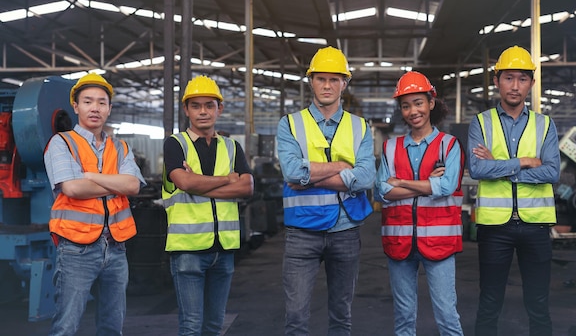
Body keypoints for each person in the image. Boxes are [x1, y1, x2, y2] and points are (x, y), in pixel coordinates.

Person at [276, 46, 375, 336]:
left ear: (345, 83)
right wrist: (343, 166)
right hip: (301, 232)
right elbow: (291, 173)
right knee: (295, 317)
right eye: (321, 79)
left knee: (341, 316)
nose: (327, 85)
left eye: (335, 79)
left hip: (345, 230)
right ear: (311, 81)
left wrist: (310, 175)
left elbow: (367, 176)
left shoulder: (360, 126)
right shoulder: (291, 124)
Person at [44, 73, 146, 336]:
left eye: (102, 102)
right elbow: (73, 188)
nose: (95, 108)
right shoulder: (62, 143)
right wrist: (116, 182)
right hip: (76, 251)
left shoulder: (120, 147)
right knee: (65, 327)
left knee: (112, 327)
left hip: (115, 248)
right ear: (75, 106)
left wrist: (91, 176)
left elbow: (134, 186)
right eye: (88, 101)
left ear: (109, 109)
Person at [468, 46, 560, 336]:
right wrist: (521, 163)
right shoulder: (481, 122)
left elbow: (551, 172)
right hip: (495, 228)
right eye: (509, 78)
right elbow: (478, 170)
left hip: (536, 227)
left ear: (531, 83)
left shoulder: (545, 125)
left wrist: (501, 167)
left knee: (539, 303)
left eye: (522, 79)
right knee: (490, 302)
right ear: (497, 81)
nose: (515, 86)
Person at [162, 75, 254, 336]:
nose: (203, 111)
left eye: (209, 105)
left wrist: (199, 182)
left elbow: (247, 187)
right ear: (186, 110)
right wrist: (227, 179)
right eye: (196, 106)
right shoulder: (175, 144)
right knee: (191, 327)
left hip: (224, 250)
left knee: (214, 327)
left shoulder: (232, 147)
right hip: (188, 250)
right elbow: (184, 182)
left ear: (219, 108)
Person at [375, 71, 465, 336]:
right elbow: (382, 191)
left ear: (431, 103)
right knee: (403, 318)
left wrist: (400, 182)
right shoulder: (391, 147)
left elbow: (446, 187)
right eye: (406, 105)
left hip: (439, 244)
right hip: (399, 243)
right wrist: (426, 185)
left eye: (418, 102)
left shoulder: (449, 146)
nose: (413, 110)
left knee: (447, 315)